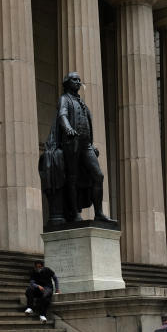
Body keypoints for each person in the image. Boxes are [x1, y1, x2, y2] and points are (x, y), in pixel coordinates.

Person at [38, 72, 111, 226]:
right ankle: (75, 213)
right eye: (74, 80)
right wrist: (68, 128)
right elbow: (62, 115)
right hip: (72, 143)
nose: (78, 82)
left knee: (98, 175)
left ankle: (99, 212)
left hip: (85, 145)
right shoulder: (65, 99)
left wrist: (91, 143)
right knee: (72, 178)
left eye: (79, 80)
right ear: (67, 83)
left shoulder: (82, 102)